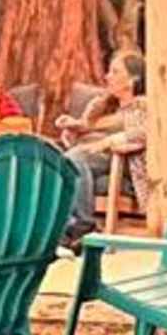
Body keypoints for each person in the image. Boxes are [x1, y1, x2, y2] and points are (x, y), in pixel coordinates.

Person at [60, 49, 148, 219]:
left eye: (115, 72)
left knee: (74, 158)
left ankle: (82, 223)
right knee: (62, 160)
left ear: (132, 80)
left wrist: (107, 142)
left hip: (118, 158)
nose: (107, 77)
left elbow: (145, 132)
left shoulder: (142, 106)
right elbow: (86, 129)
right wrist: (73, 128)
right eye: (109, 71)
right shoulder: (104, 105)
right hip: (90, 156)